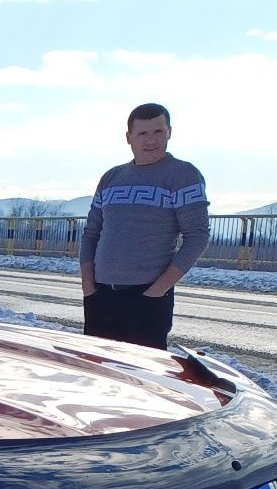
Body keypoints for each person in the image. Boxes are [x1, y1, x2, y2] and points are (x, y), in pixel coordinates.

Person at [79, 103, 209, 349]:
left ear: (169, 132)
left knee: (141, 379)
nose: (151, 141)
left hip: (147, 299)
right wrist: (89, 287)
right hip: (101, 296)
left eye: (158, 132)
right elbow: (91, 234)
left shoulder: (183, 175)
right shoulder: (111, 178)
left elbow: (197, 236)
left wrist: (157, 291)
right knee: (99, 373)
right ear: (129, 138)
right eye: (143, 134)